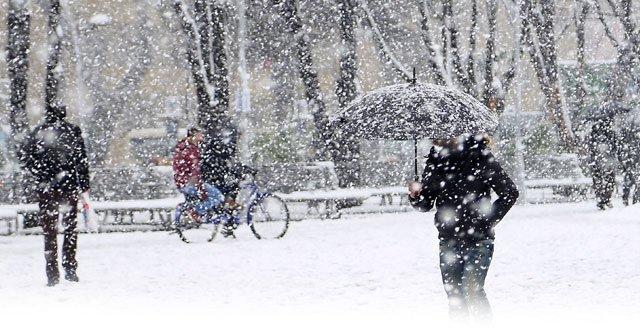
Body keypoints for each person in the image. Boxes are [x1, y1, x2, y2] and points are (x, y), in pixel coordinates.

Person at [408, 134, 519, 321]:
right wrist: (415, 196)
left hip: (479, 240)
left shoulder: (480, 156)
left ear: (452, 131)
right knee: (455, 297)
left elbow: (509, 192)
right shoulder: (436, 160)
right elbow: (426, 204)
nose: (432, 136)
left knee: (472, 291)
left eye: (437, 131)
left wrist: (485, 221)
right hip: (448, 241)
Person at [21, 105, 90, 286]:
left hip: (47, 189)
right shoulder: (72, 131)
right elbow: (81, 160)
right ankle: (70, 267)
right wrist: (83, 184)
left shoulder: (39, 132)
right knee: (70, 228)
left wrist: (42, 175)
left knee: (49, 231)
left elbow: (27, 159)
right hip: (69, 187)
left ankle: (52, 272)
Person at [172, 127, 224, 222]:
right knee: (218, 196)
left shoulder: (182, 148)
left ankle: (190, 209)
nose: (201, 138)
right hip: (189, 184)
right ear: (192, 136)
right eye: (199, 136)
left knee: (211, 195)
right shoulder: (190, 151)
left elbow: (182, 169)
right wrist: (201, 190)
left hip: (182, 183)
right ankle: (194, 210)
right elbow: (194, 173)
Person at [588, 116, 618, 210]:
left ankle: (601, 199)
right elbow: (615, 146)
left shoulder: (594, 132)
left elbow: (591, 146)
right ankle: (606, 198)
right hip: (607, 161)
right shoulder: (610, 133)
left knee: (598, 181)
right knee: (609, 180)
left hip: (597, 161)